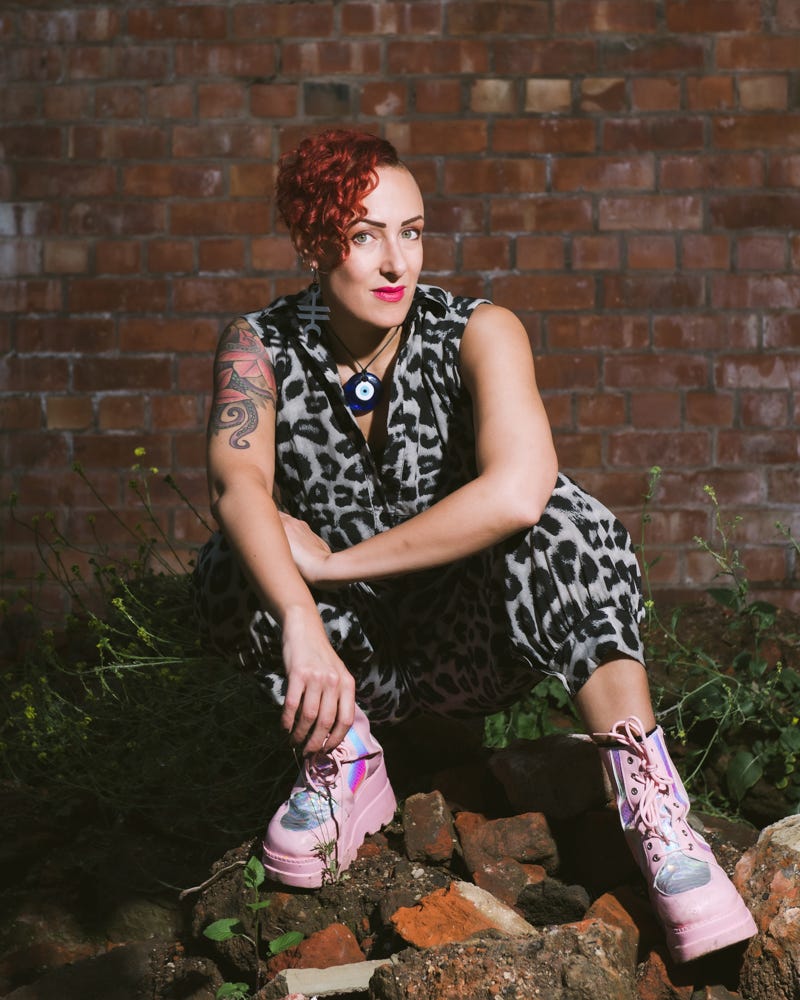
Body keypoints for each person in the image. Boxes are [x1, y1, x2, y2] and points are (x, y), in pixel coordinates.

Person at [193, 128, 756, 963]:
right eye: (364, 234)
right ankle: (343, 758)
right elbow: (235, 482)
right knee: (234, 547)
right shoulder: (258, 346)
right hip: (345, 662)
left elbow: (519, 489)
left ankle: (654, 808)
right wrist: (303, 617)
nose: (396, 262)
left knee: (567, 518)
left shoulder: (478, 330)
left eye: (411, 231)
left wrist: (334, 563)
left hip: (470, 643)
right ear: (316, 242)